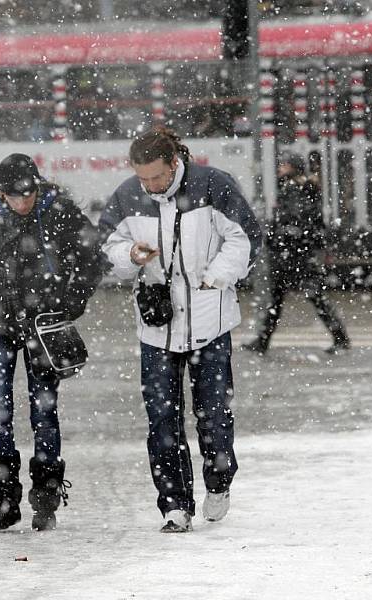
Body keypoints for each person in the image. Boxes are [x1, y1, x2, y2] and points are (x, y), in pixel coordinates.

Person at [99, 126, 262, 533]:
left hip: (210, 321)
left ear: (175, 162)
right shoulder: (126, 196)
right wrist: (130, 255)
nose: (150, 185)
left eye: (157, 176)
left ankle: (219, 481)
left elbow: (244, 238)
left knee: (214, 415)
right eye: (143, 178)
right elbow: (106, 245)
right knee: (161, 420)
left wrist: (215, 277)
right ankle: (174, 504)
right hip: (157, 327)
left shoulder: (213, 186)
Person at [0, 153, 104, 532]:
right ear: (1, 192)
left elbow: (91, 256)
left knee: (43, 412)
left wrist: (73, 301)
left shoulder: (58, 209)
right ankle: (4, 500)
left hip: (43, 324)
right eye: (15, 196)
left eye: (28, 194)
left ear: (38, 185)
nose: (22, 202)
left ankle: (46, 498)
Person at [243, 151, 351, 355]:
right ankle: (263, 342)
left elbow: (297, 220)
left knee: (310, 298)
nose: (280, 168)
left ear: (292, 167)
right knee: (286, 299)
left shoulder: (296, 189)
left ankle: (340, 338)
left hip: (294, 256)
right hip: (294, 254)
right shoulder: (298, 187)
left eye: (283, 164)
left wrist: (280, 236)